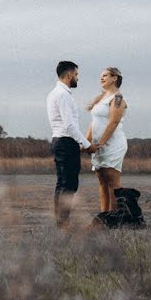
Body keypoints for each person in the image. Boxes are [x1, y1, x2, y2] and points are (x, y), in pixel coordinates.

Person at [47, 61, 100, 228]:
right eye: (76, 75)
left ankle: (61, 221)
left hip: (61, 141)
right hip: (65, 141)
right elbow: (69, 125)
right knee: (69, 184)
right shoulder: (62, 95)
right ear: (69, 74)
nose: (77, 78)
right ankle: (63, 222)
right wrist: (86, 144)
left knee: (63, 182)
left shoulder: (55, 93)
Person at [85, 67, 128, 213]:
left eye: (105, 75)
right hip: (97, 145)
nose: (101, 78)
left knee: (112, 181)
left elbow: (113, 122)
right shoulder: (101, 97)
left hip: (112, 144)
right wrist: (85, 142)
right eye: (100, 76)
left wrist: (102, 143)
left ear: (114, 78)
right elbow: (93, 122)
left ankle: (115, 217)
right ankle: (104, 216)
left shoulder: (117, 98)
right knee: (102, 181)